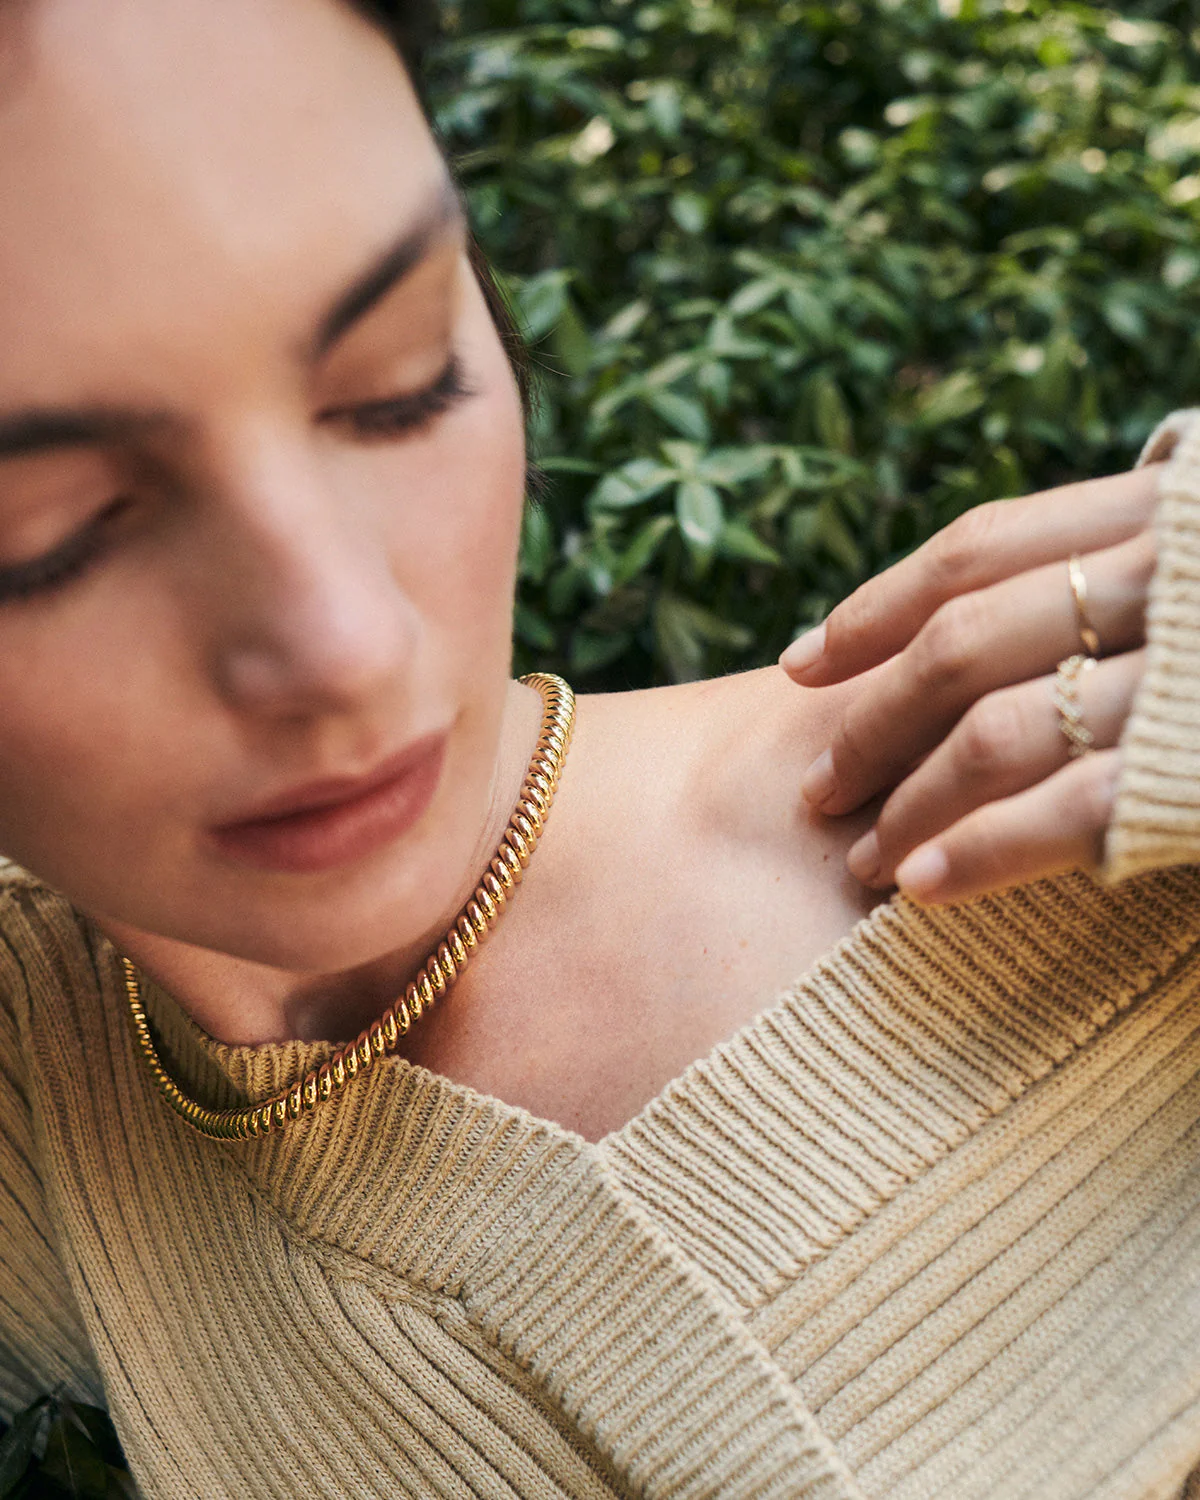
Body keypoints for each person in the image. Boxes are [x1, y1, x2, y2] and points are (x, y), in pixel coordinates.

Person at [0, 1, 1198, 1496]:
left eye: (398, 380)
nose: (348, 642)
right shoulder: (48, 1091)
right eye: (46, 537)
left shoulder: (1094, 828)